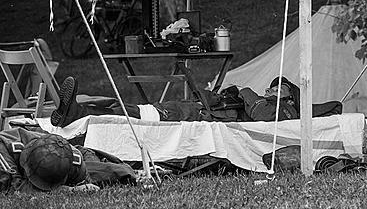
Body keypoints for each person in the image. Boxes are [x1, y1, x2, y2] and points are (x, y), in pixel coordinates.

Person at [50, 76, 341, 127]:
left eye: (276, 89)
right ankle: (76, 108)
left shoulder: (285, 112)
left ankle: (76, 110)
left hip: (201, 117)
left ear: (289, 95)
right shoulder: (273, 103)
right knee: (133, 108)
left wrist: (247, 91)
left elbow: (262, 117)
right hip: (200, 109)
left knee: (137, 113)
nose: (270, 90)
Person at [0, 127, 89, 192]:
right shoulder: (4, 147)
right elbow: (13, 188)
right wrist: (66, 190)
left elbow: (87, 185)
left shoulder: (76, 162)